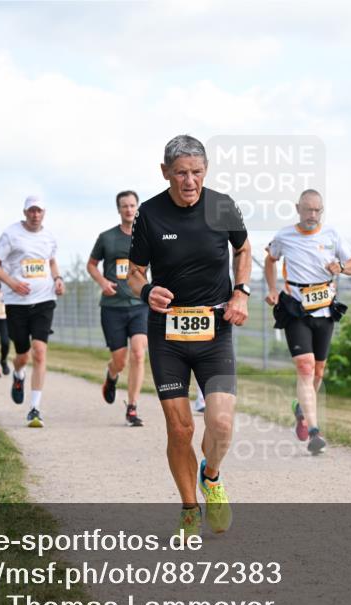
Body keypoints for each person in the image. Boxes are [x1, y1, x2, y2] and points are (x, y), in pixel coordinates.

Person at [128, 135, 251, 538]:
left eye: (197, 172)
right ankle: (187, 507)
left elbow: (244, 249)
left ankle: (210, 476)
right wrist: (147, 291)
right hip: (168, 334)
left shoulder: (222, 206)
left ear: (206, 171)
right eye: (181, 173)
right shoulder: (149, 214)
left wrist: (241, 292)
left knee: (220, 424)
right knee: (180, 429)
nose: (190, 181)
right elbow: (133, 273)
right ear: (165, 173)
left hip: (215, 331)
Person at [264, 189, 351, 454]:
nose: (313, 215)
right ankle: (315, 432)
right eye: (308, 209)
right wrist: (272, 289)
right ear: (298, 208)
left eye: (318, 210)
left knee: (318, 371)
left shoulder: (332, 235)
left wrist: (341, 268)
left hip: (325, 310)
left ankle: (302, 410)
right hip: (295, 309)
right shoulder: (285, 235)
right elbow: (270, 259)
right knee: (305, 368)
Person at [0, 196, 65, 427]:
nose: (35, 215)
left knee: (39, 351)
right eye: (31, 211)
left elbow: (50, 261)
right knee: (22, 354)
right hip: (16, 302)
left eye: (39, 211)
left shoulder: (49, 237)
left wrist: (58, 278)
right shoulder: (11, 234)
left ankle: (34, 408)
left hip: (44, 299)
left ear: (44, 213)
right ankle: (18, 374)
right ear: (25, 212)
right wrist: (12, 283)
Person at [87, 190, 149, 427]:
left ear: (137, 207)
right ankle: (112, 376)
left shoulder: (146, 236)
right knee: (120, 360)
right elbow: (91, 265)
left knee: (138, 353)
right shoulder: (107, 237)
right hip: (112, 307)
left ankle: (132, 407)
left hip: (138, 304)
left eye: (133, 205)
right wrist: (102, 282)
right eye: (125, 206)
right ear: (119, 209)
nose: (129, 210)